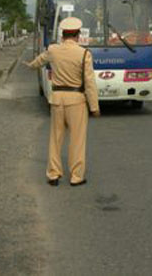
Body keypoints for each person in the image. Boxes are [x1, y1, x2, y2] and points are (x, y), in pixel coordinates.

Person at [26, 17, 100, 187]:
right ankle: (76, 176)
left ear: (63, 35)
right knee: (77, 140)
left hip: (57, 100)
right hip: (77, 101)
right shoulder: (84, 54)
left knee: (55, 138)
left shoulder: (53, 50)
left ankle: (53, 174)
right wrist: (94, 106)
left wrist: (29, 65)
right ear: (78, 35)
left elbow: (38, 62)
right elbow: (89, 83)